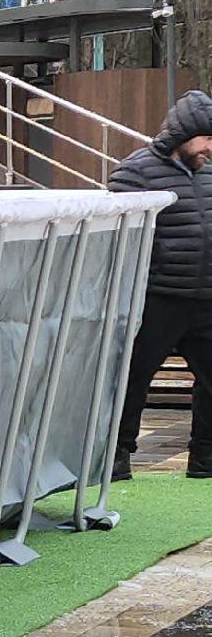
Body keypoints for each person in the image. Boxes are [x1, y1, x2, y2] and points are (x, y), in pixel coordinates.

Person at [109, 90, 212, 480]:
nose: (209, 148)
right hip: (156, 297)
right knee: (132, 379)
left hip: (205, 297)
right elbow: (119, 239)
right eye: (205, 139)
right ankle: (115, 457)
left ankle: (205, 456)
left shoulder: (208, 173)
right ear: (184, 135)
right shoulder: (134, 173)